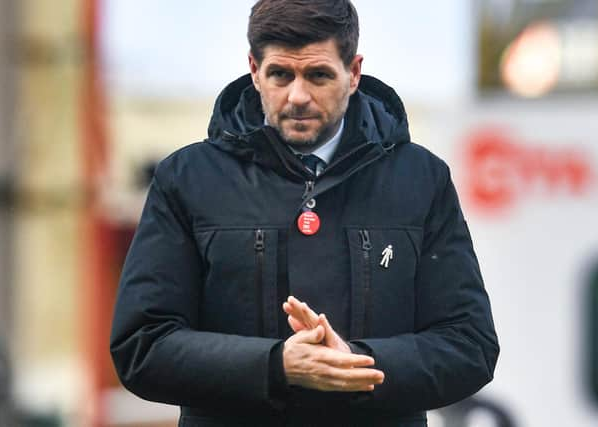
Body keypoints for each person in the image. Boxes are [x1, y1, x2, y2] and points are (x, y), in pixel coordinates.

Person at [110, 1, 499, 425]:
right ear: (254, 70)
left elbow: (469, 345)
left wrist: (355, 362)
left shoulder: (422, 180)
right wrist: (275, 366)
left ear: (353, 73)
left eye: (318, 75)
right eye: (281, 74)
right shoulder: (186, 179)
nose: (298, 96)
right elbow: (142, 346)